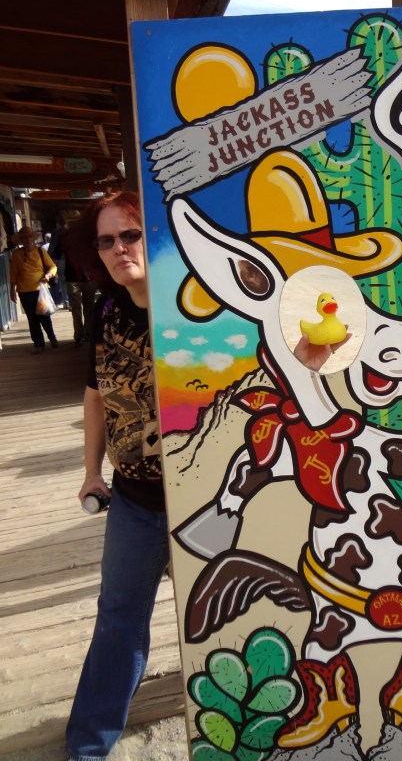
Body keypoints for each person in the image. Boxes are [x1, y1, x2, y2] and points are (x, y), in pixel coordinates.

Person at [65, 191, 169, 761]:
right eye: (106, 240)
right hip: (134, 500)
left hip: (209, 499)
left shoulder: (196, 304)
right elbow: (95, 394)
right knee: (119, 620)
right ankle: (89, 743)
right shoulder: (107, 312)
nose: (118, 248)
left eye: (129, 234)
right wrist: (90, 472)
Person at [9, 225, 59, 353]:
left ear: (33, 238)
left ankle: (52, 337)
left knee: (44, 316)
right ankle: (38, 344)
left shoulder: (40, 251)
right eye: (24, 238)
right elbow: (13, 273)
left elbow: (53, 267)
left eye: (29, 237)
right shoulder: (16, 254)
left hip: (40, 290)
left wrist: (47, 275)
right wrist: (12, 289)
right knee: (32, 319)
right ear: (21, 240)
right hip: (24, 291)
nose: (27, 240)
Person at [62, 229, 97, 346]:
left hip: (84, 279)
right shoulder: (67, 241)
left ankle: (83, 335)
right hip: (78, 279)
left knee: (84, 308)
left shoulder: (89, 242)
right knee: (82, 308)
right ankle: (82, 335)